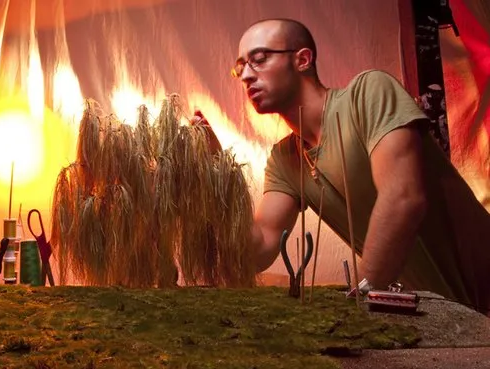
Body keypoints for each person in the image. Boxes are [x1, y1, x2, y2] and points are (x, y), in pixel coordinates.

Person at [197, 18, 490, 314]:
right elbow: (258, 251)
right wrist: (216, 171)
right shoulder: (285, 159)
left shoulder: (368, 93)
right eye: (240, 67)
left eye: (258, 60)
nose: (246, 75)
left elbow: (403, 199)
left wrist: (357, 302)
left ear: (302, 59)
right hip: (448, 317)